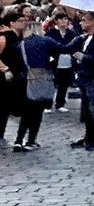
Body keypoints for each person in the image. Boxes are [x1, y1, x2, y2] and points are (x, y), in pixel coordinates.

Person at [14, 19, 56, 151]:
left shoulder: (20, 44)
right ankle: (31, 140)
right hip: (39, 80)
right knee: (37, 112)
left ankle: (18, 140)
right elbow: (60, 50)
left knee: (26, 113)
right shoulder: (45, 42)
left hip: (24, 80)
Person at [71, 12, 94, 151]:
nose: (81, 23)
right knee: (87, 109)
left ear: (92, 22)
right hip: (85, 76)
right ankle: (89, 136)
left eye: (83, 20)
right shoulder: (87, 37)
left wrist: (84, 57)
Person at [0, 12, 29, 146]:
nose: (23, 23)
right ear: (11, 23)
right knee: (3, 106)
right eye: (20, 21)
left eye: (24, 20)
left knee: (10, 106)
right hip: (5, 76)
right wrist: (5, 69)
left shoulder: (20, 37)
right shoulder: (4, 37)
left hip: (18, 76)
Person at [47, 12, 77, 112]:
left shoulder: (71, 33)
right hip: (54, 62)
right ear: (56, 21)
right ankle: (47, 105)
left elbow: (75, 46)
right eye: (61, 19)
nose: (64, 21)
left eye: (65, 19)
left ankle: (60, 104)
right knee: (51, 84)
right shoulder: (51, 33)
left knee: (63, 84)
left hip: (67, 62)